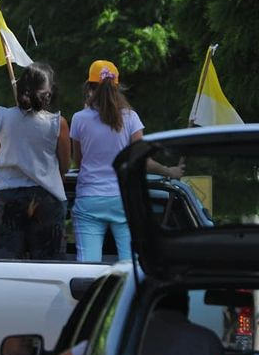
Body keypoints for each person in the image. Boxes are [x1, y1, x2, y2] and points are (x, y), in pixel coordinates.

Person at [70, 60, 184, 262]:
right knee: (130, 264)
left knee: (87, 266)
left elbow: (79, 162)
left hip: (90, 198)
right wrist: (170, 171)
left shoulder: (79, 119)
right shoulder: (131, 118)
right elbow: (143, 161)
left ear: (89, 87)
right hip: (124, 198)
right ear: (118, 87)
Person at [0, 62, 71, 259]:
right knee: (48, 266)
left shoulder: (1, 117)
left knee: (5, 264)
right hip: (47, 197)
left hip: (7, 197)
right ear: (48, 92)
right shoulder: (58, 123)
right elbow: (65, 165)